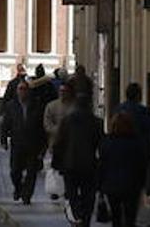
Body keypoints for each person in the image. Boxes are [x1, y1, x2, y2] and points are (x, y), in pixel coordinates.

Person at [52, 93, 102, 227]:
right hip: (89, 164)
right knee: (88, 194)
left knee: (72, 192)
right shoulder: (96, 122)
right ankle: (85, 219)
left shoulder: (67, 120)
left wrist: (56, 163)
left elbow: (59, 143)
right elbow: (100, 144)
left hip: (70, 164)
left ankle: (77, 215)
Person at [0, 81, 47, 205]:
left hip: (33, 144)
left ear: (28, 91)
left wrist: (43, 147)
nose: (22, 91)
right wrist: (3, 139)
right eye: (20, 89)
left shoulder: (37, 106)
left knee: (31, 171)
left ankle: (27, 195)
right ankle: (18, 188)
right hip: (17, 143)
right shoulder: (11, 106)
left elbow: (42, 127)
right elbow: (6, 124)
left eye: (24, 89)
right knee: (15, 171)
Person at [98, 112, 148, 227]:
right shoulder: (137, 143)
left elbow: (102, 165)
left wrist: (100, 185)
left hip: (111, 185)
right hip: (132, 185)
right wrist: (144, 184)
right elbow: (142, 164)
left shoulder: (106, 142)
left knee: (116, 217)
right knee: (130, 216)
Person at [114, 83, 150, 148]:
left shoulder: (117, 109)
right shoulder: (142, 110)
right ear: (138, 95)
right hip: (138, 146)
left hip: (119, 145)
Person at [44, 82, 76, 152]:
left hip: (72, 143)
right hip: (55, 142)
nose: (62, 93)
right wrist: (58, 130)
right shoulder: (51, 106)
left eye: (65, 91)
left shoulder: (75, 106)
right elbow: (47, 124)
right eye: (61, 91)